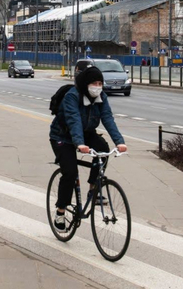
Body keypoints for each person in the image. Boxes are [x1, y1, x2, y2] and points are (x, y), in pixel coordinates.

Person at [49, 66, 126, 231]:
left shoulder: (101, 97)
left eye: (100, 83)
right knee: (70, 173)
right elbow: (73, 119)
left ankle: (94, 189)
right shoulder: (72, 96)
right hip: (62, 136)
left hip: (86, 132)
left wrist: (119, 142)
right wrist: (79, 143)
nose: (97, 86)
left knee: (103, 151)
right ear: (85, 83)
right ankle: (60, 212)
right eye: (94, 83)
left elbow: (107, 118)